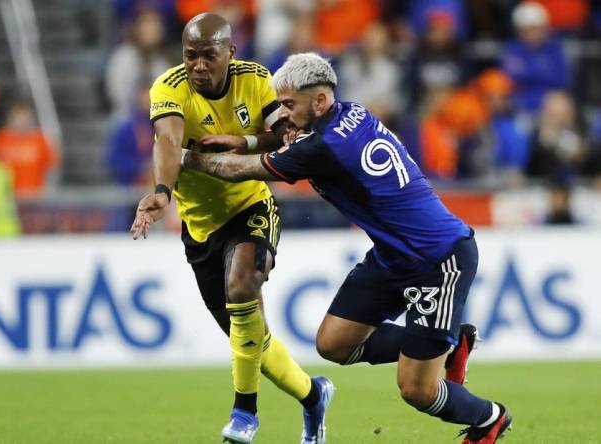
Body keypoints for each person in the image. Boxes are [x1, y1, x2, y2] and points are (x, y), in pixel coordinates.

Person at [178, 53, 513, 444]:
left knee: (417, 390)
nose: (281, 114)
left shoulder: (323, 147)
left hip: (438, 260)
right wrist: (258, 138)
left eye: (289, 105)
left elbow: (242, 170)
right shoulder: (351, 113)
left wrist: (182, 157)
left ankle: (490, 418)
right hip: (393, 257)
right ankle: (446, 344)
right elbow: (299, 146)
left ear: (319, 101)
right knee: (333, 344)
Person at [129, 14, 334, 444]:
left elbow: (286, 134)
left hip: (249, 206)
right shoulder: (168, 87)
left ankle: (245, 413)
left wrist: (248, 142)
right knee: (252, 340)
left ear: (230, 53)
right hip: (200, 228)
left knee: (243, 287)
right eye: (190, 56)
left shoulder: (255, 80)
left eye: (208, 55)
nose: (198, 65)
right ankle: (313, 395)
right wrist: (163, 193)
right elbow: (167, 142)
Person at [0, 100, 59, 198]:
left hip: (34, 195)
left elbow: (51, 167)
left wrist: (47, 190)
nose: (22, 120)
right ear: (10, 118)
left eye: (25, 116)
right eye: (18, 116)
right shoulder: (0, 139)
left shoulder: (40, 140)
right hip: (7, 195)